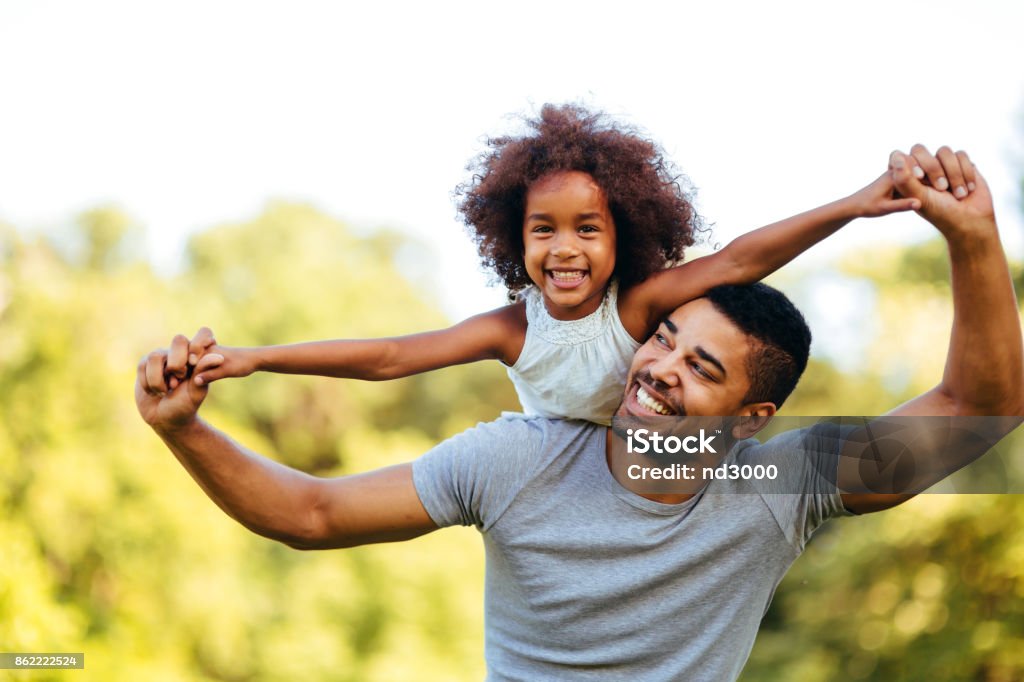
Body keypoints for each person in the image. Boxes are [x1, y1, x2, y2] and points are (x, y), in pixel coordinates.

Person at [136, 146, 1022, 679]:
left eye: (700, 366)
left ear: (749, 418)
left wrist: (974, 238)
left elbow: (979, 410)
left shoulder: (775, 484)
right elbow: (310, 512)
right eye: (664, 337)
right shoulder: (518, 459)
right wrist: (185, 427)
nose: (658, 367)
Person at [173, 104, 922, 424]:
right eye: (543, 230)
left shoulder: (635, 309)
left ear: (622, 235)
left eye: (587, 229)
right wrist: (255, 358)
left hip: (647, 469)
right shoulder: (512, 329)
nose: (564, 249)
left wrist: (852, 206)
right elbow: (393, 356)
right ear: (515, 238)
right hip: (555, 480)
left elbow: (740, 258)